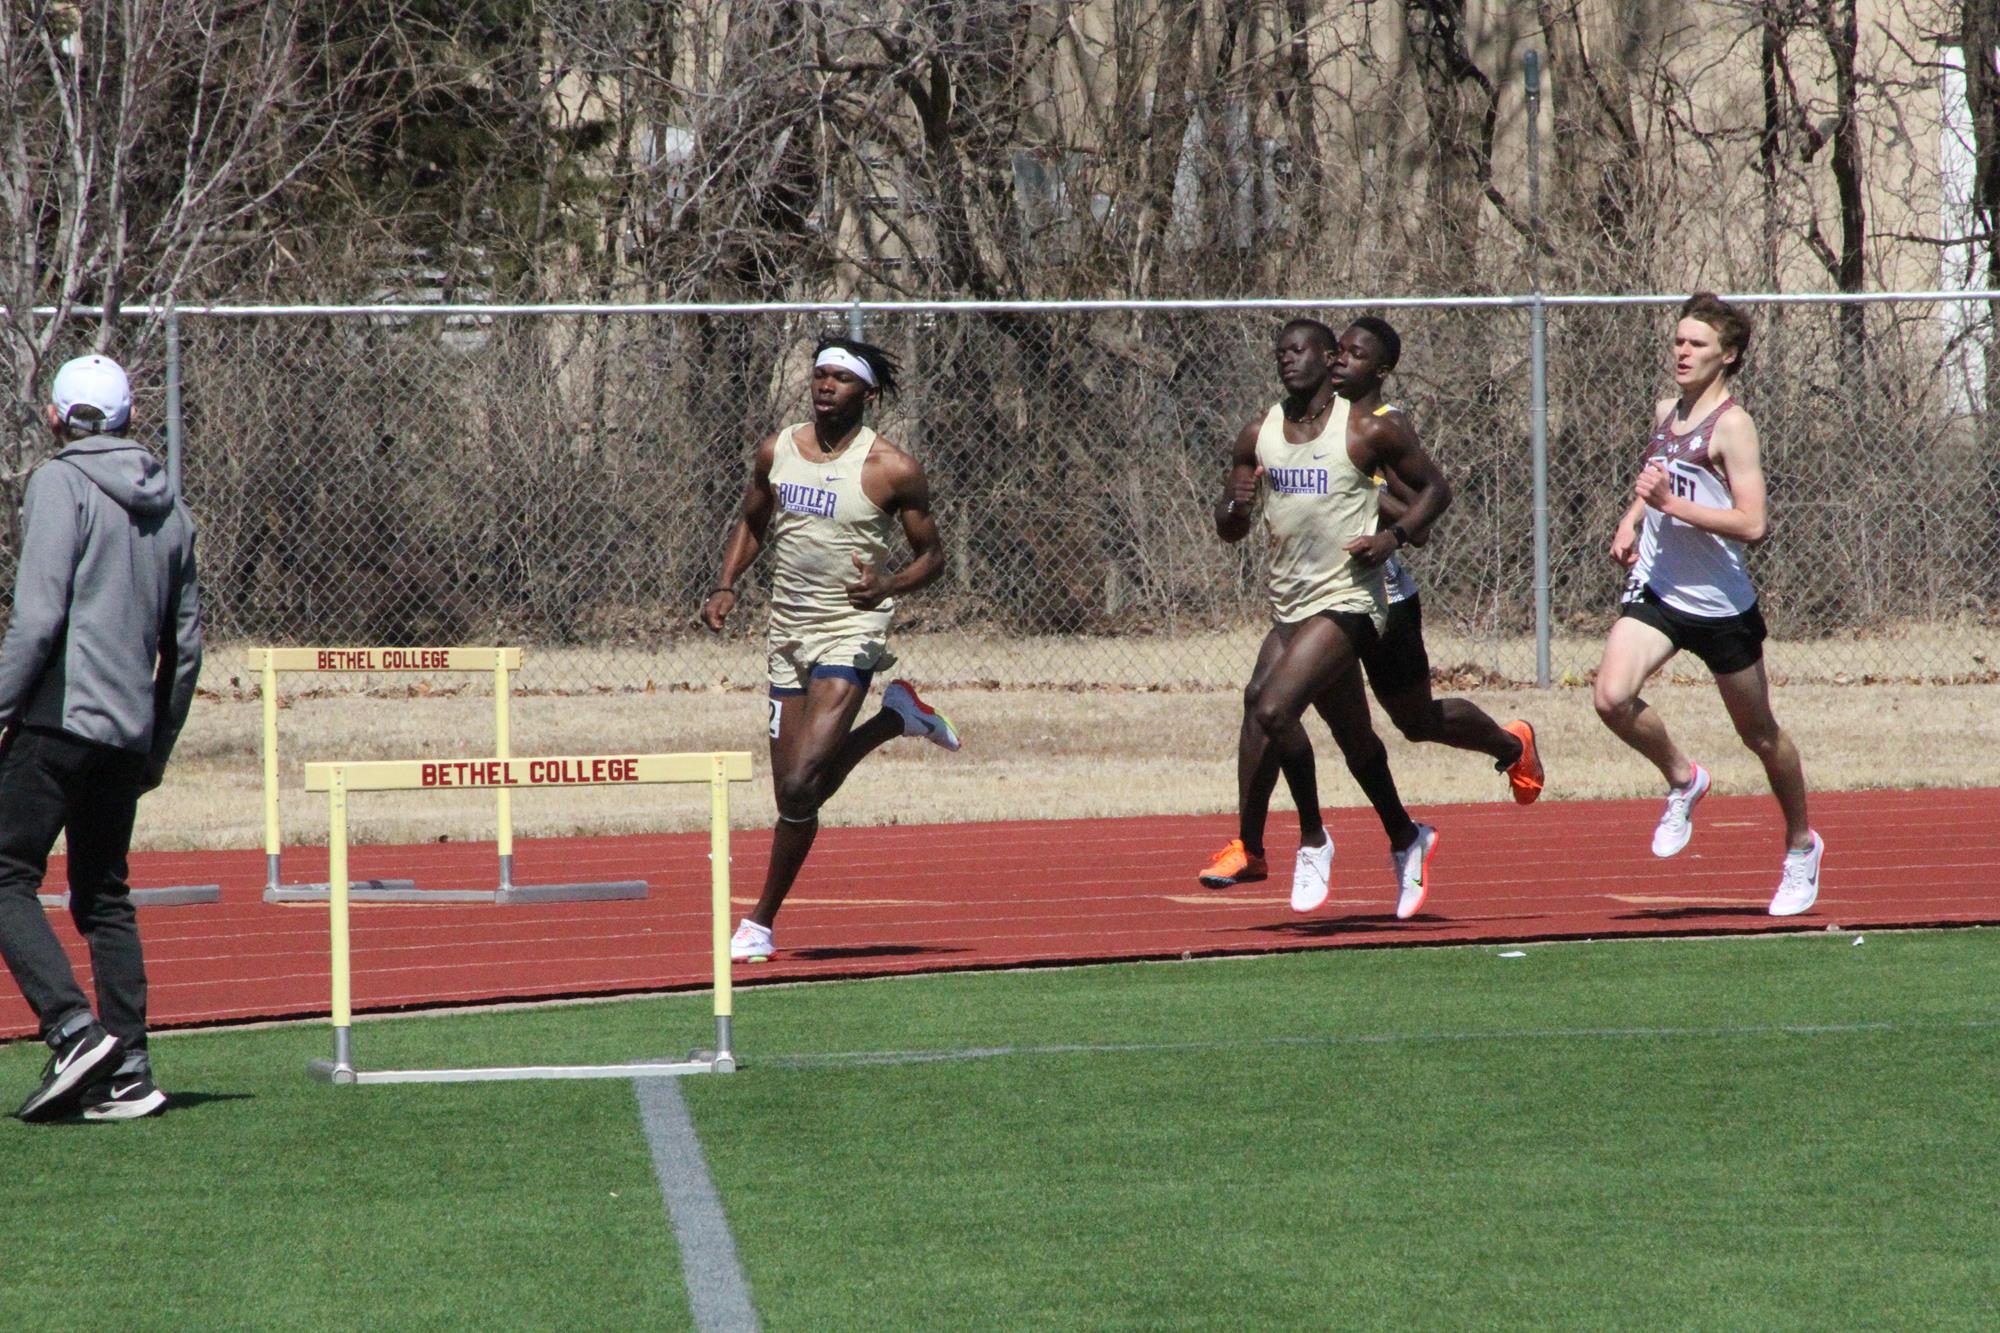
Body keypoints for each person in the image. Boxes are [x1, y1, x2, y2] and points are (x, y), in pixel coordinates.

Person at [1199, 318, 1544, 919]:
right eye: (1337, 352)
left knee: (1412, 719)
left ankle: (1510, 746)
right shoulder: (1270, 430)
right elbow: (1236, 516)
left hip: (1375, 596)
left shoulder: (1377, 428)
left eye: (1352, 355)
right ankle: (1355, 839)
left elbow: (1424, 513)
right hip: (1301, 601)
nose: (1339, 363)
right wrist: (1243, 503)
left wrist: (1377, 516)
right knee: (1313, 721)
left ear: (1376, 369)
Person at [702, 338, 960, 963]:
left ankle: (759, 923)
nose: (825, 385)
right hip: (788, 630)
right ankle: (896, 719)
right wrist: (726, 583)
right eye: (820, 374)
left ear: (866, 393)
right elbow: (753, 520)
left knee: (800, 787)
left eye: (841, 378)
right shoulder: (778, 450)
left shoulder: (892, 468)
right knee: (794, 794)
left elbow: (933, 556)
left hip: (852, 626)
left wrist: (888, 585)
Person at [0, 354, 202, 1122]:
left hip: (59, 719)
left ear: (57, 417)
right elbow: (186, 649)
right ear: (127, 416)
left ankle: (72, 1029)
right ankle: (128, 1070)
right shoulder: (172, 509)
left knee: (4, 870)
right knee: (104, 893)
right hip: (125, 733)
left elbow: (37, 619)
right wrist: (155, 745)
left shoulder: (60, 482)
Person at [1594, 293, 1821, 915]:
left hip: (1720, 607)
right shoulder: (1667, 410)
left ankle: (1801, 846)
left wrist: (1669, 506)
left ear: (1729, 355)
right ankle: (1683, 777)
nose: (1682, 352)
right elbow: (1658, 476)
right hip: (1659, 591)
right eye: (1678, 341)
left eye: (1697, 344)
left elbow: (1752, 523)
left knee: (1761, 737)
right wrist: (1633, 519)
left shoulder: (1733, 425)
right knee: (1611, 698)